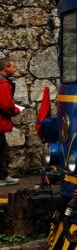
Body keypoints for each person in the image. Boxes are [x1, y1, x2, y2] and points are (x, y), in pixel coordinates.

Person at [0, 58, 20, 186]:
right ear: (5, 68)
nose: (15, 69)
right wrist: (16, 110)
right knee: (1, 151)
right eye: (13, 67)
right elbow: (6, 105)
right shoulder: (3, 83)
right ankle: (2, 177)